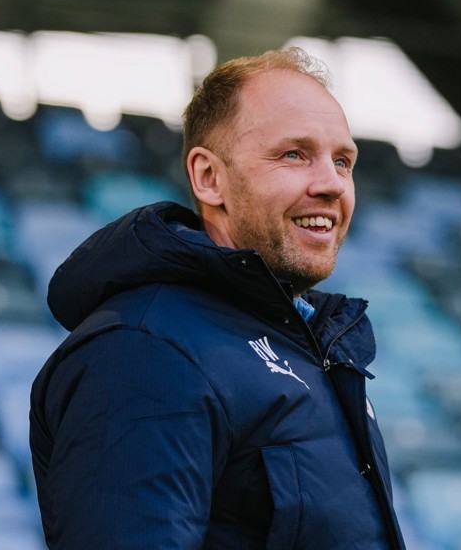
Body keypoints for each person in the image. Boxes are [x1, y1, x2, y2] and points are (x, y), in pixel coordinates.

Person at [29, 47, 405, 548]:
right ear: (209, 178)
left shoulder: (312, 345)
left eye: (343, 160)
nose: (332, 184)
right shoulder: (144, 350)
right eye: (294, 154)